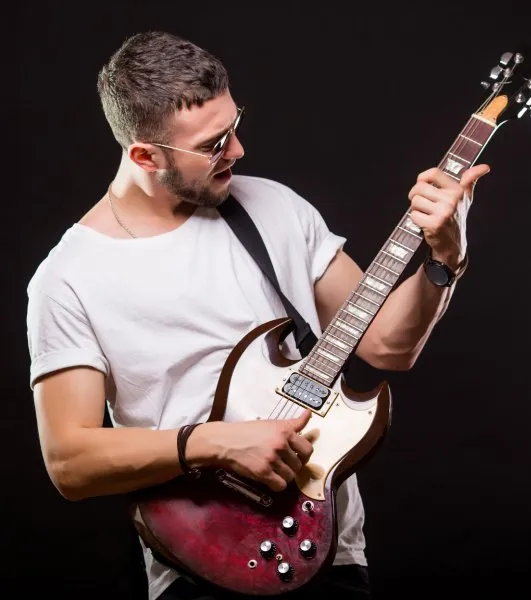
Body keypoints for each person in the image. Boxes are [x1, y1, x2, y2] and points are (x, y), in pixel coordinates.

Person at [25, 31, 490, 600]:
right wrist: (214, 443)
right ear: (145, 156)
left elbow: (387, 346)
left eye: (235, 125)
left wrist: (445, 258)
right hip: (203, 562)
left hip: (330, 552)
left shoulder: (272, 206)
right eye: (214, 144)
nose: (238, 150)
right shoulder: (69, 277)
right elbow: (70, 462)